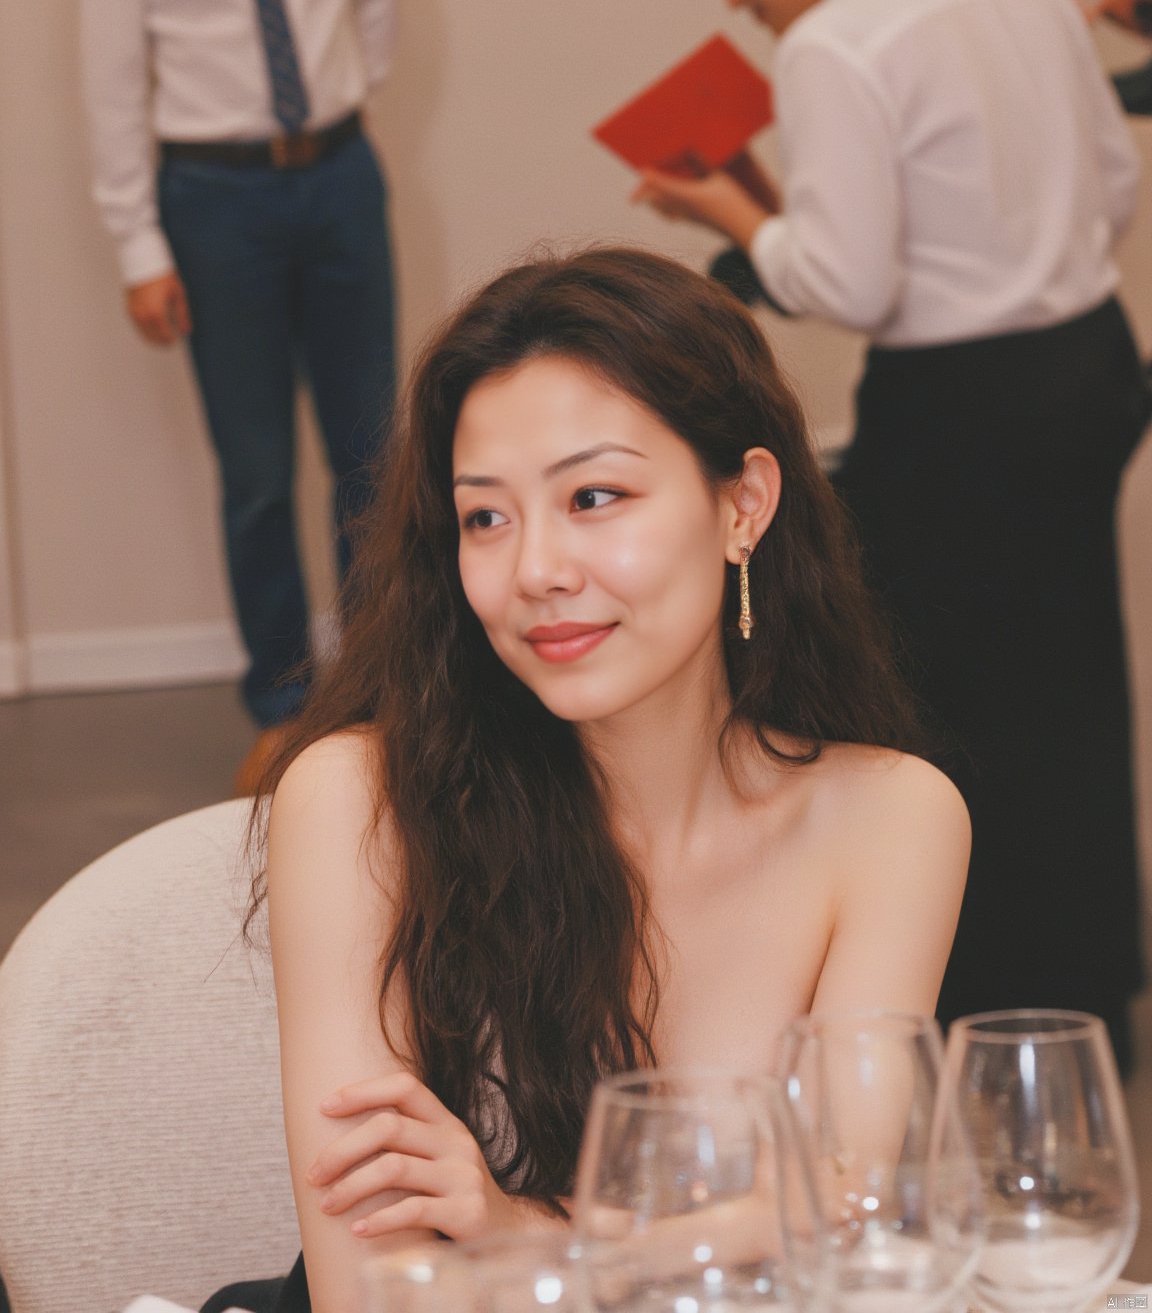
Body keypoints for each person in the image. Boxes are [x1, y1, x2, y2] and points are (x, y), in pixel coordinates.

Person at [202, 249, 970, 1313]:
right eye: (486, 517)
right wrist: (707, 1242)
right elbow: (369, 1292)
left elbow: (841, 1226)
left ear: (744, 504)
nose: (535, 572)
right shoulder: (357, 803)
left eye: (595, 496)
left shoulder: (891, 819)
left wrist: (525, 1236)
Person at [635, 0, 1149, 1070]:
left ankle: (972, 998)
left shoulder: (832, 44)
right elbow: (1120, 179)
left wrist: (734, 215)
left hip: (960, 408)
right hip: (1092, 365)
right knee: (1074, 676)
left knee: (937, 699)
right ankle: (1092, 985)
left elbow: (851, 283)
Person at [77, 0, 400, 761]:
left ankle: (382, 685)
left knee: (373, 454)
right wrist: (139, 244)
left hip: (340, 176)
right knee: (257, 470)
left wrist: (336, 105)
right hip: (216, 202)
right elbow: (112, 76)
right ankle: (282, 704)